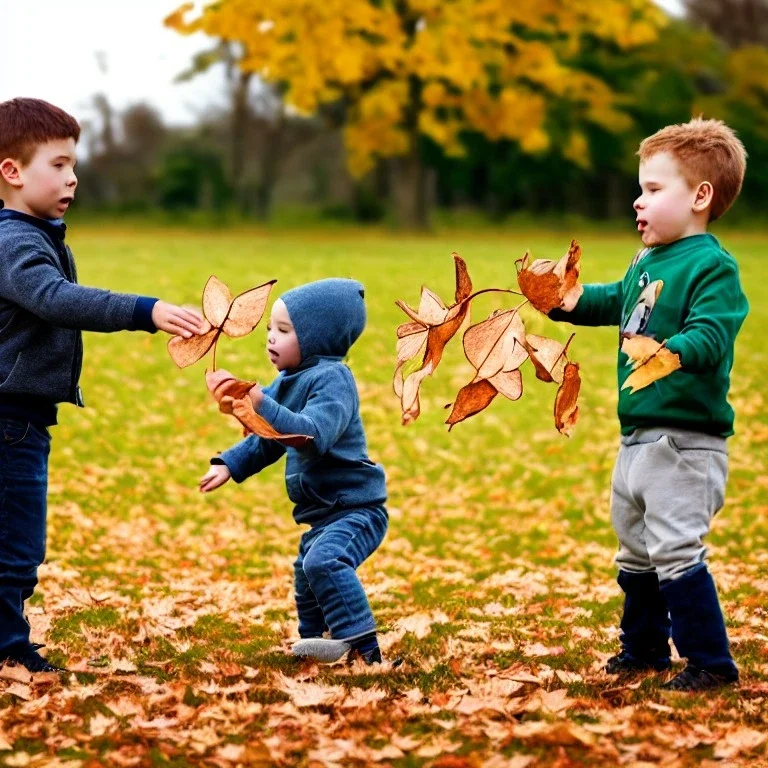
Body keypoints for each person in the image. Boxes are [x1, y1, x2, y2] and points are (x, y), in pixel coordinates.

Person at [0, 97, 206, 673]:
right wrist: (146, 309)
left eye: (74, 166)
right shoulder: (14, 243)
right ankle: (7, 651)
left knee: (14, 540)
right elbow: (56, 300)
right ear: (12, 172)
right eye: (59, 165)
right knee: (14, 547)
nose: (72, 178)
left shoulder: (33, 233)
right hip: (8, 419)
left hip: (21, 417)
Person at [544, 117, 749, 691]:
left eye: (654, 190)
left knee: (676, 550)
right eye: (641, 189)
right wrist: (564, 301)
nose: (639, 201)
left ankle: (710, 663)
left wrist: (667, 350)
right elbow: (614, 301)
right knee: (635, 552)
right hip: (636, 437)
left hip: (686, 443)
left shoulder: (712, 266)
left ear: (700, 197)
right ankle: (643, 651)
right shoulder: (644, 263)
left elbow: (712, 336)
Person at [200, 279, 389, 665]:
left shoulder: (334, 381)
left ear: (319, 338)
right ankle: (314, 642)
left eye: (284, 331)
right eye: (270, 328)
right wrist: (230, 464)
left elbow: (309, 435)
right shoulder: (288, 381)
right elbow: (270, 438)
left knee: (324, 563)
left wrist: (260, 402)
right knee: (306, 574)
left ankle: (366, 651)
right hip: (324, 512)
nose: (270, 338)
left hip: (356, 509)